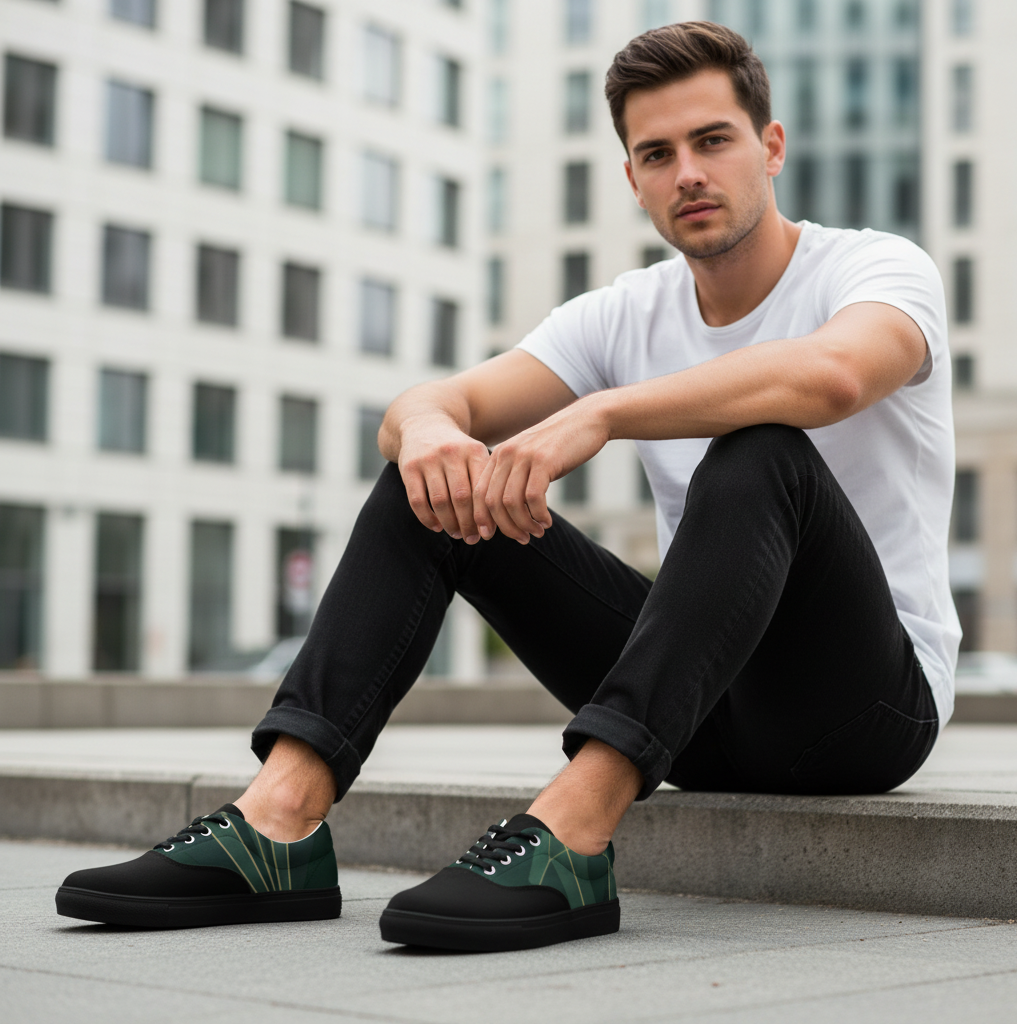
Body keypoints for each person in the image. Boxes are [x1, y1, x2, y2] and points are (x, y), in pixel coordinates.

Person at [55, 21, 957, 951]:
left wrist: (601, 412)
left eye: (712, 140)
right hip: (702, 711)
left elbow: (836, 377)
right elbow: (425, 404)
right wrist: (435, 432)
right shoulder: (624, 310)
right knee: (429, 481)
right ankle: (278, 821)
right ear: (633, 179)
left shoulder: (876, 268)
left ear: (769, 148)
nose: (687, 171)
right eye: (657, 153)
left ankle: (574, 833)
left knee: (760, 448)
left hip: (866, 710)